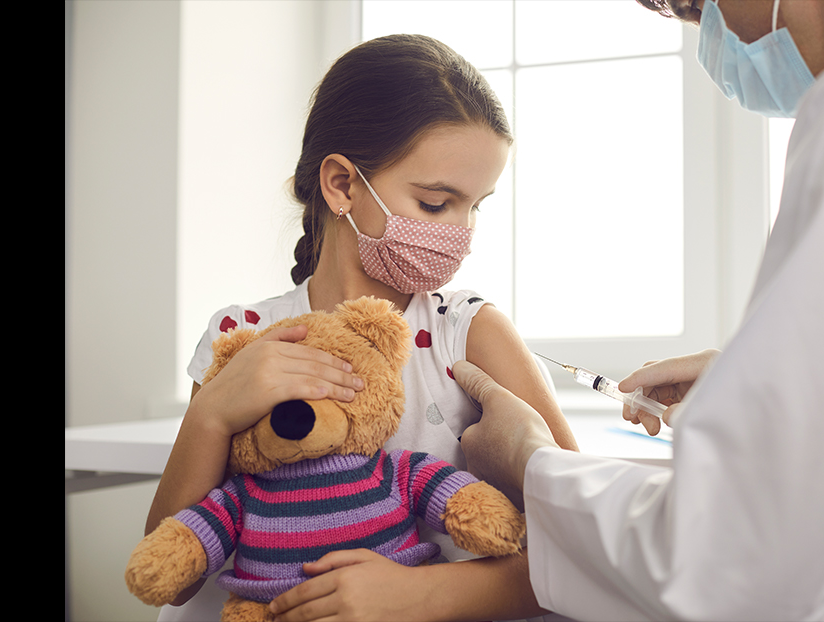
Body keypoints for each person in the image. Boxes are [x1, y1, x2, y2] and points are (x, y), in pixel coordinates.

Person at [453, 0, 824, 620]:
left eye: (693, 8)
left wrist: (530, 461)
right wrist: (763, 385)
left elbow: (733, 560)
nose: (714, 36)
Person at [145, 34, 578, 622]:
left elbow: (580, 549)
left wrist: (420, 595)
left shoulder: (468, 331)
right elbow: (171, 580)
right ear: (342, 184)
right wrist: (212, 414)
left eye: (476, 206)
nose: (463, 233)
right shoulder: (241, 335)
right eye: (435, 204)